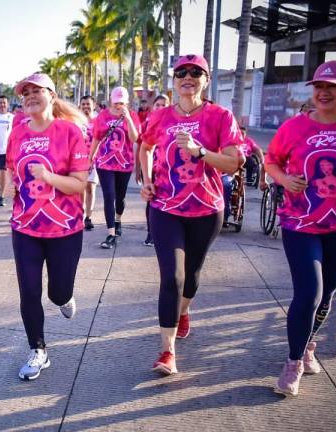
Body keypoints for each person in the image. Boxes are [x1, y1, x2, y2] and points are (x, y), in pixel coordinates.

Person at [138, 54, 243, 375]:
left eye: (196, 72)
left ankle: (184, 312)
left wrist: (200, 151)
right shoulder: (161, 116)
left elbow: (233, 163)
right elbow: (144, 146)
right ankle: (167, 351)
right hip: (165, 208)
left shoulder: (220, 116)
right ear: (173, 80)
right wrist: (148, 179)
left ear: (206, 79)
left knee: (192, 275)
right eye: (181, 72)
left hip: (207, 208)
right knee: (173, 276)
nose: (188, 77)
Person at [265, 60, 336, 397]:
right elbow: (271, 160)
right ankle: (293, 362)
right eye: (320, 86)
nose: (324, 92)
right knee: (310, 293)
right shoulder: (294, 127)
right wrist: (284, 179)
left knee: (329, 294)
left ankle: (308, 347)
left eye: (333, 87)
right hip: (300, 222)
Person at [3, 73, 89, 381]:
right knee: (28, 291)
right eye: (25, 93)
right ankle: (38, 350)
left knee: (57, 291)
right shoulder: (17, 133)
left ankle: (64, 297)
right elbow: (13, 170)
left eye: (36, 91)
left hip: (64, 228)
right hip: (25, 226)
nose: (29, 96)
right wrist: (9, 187)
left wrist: (49, 177)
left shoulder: (70, 132)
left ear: (52, 95)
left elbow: (79, 184)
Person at [91, 86, 141, 249]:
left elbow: (134, 138)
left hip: (124, 163)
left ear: (126, 102)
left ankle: (118, 219)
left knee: (120, 197)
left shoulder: (132, 115)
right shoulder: (103, 116)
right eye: (116, 102)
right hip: (104, 162)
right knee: (109, 196)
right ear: (111, 101)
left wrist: (128, 119)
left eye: (122, 102)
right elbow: (96, 138)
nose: (118, 105)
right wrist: (90, 157)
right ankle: (111, 234)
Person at [136, 94, 168, 246]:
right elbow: (141, 148)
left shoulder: (172, 123)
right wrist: (138, 170)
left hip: (167, 170)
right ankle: (151, 233)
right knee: (151, 201)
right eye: (158, 104)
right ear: (152, 106)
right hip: (151, 169)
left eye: (164, 105)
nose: (160, 108)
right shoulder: (146, 123)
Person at [79, 95, 99, 230]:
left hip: (95, 160)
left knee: (90, 188)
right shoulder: (76, 120)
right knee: (81, 189)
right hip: (79, 160)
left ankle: (88, 217)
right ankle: (79, 214)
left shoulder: (99, 120)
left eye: (88, 104)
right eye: (83, 104)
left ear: (94, 105)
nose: (86, 107)